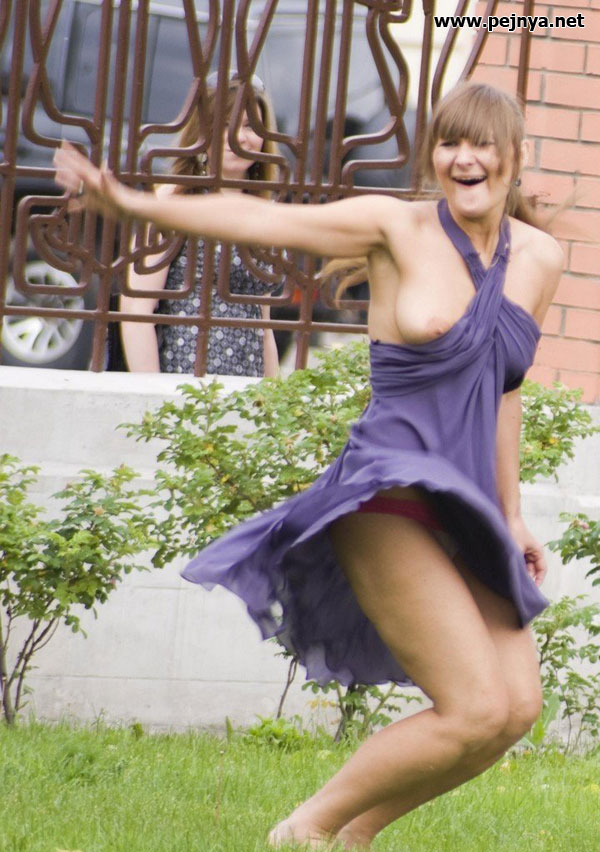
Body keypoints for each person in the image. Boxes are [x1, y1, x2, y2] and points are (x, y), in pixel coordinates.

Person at [55, 81, 563, 850]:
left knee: (515, 708)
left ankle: (352, 835)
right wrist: (130, 203)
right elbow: (263, 219)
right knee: (474, 708)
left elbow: (505, 392)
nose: (464, 158)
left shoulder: (540, 259)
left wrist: (513, 512)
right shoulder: (396, 227)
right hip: (388, 494)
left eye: (481, 144)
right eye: (449, 143)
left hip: (469, 505)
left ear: (514, 157)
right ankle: (303, 831)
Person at [119, 76, 280, 377]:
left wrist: (274, 397)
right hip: (188, 385)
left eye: (250, 126)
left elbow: (265, 325)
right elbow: (136, 311)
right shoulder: (176, 198)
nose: (239, 138)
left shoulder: (263, 209)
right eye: (225, 124)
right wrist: (153, 394)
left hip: (248, 391)